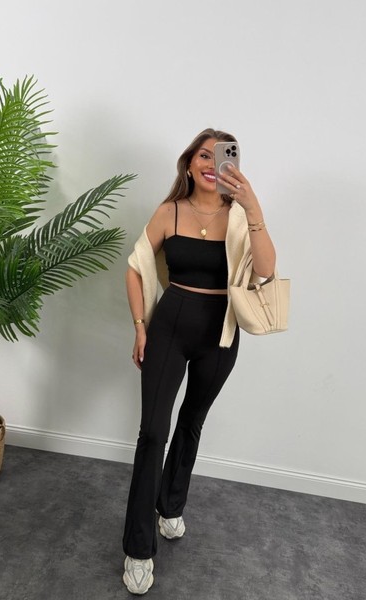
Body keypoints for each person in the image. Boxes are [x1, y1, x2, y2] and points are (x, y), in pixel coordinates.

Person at [122, 128, 276, 594]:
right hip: (169, 327)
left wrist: (253, 208)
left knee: (191, 422)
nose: (213, 164)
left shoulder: (240, 216)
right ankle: (138, 549)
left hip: (220, 334)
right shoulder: (169, 211)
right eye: (204, 155)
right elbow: (135, 267)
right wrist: (140, 326)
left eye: (223, 156)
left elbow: (266, 270)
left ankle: (170, 506)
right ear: (189, 163)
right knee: (153, 432)